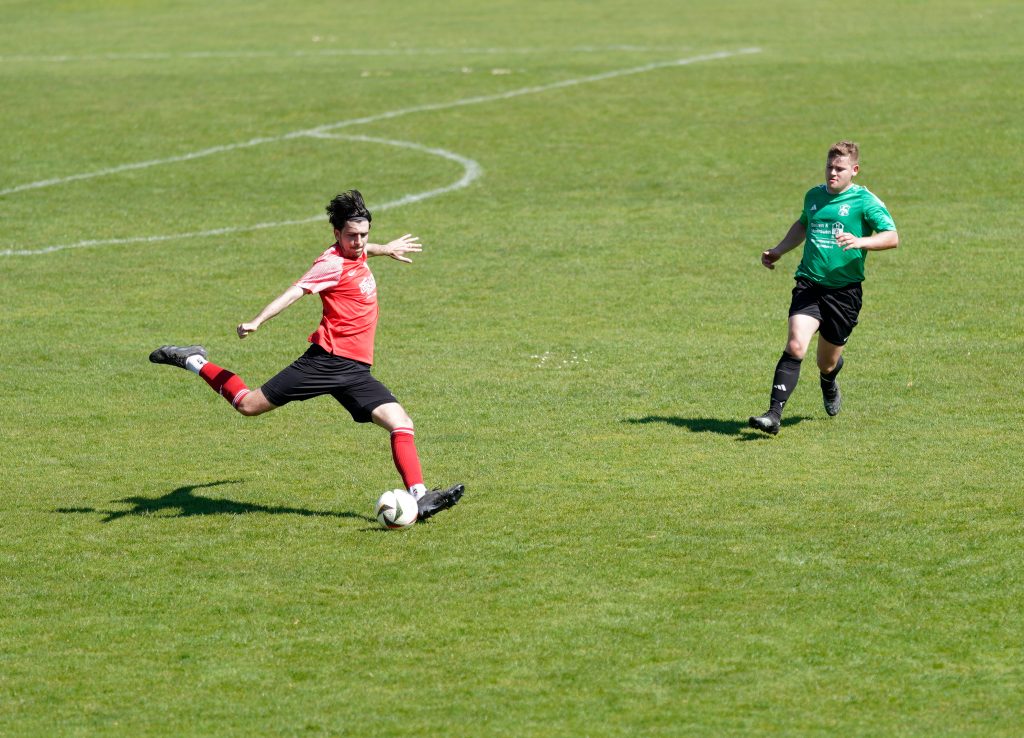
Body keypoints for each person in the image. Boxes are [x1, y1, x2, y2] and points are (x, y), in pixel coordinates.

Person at [150, 190, 464, 520]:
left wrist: (384, 249)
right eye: (352, 236)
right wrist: (257, 320)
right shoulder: (330, 264)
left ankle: (421, 496)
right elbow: (294, 292)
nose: (359, 243)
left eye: (364, 235)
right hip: (324, 362)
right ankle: (193, 360)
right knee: (247, 405)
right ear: (336, 235)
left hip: (355, 370)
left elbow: (364, 251)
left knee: (401, 423)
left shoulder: (356, 252)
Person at [749, 141, 898, 435]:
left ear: (853, 170)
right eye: (829, 166)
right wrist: (779, 250)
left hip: (844, 294)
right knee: (795, 345)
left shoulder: (865, 201)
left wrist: (861, 241)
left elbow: (892, 236)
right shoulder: (814, 196)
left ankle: (829, 381)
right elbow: (804, 224)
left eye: (839, 168)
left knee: (826, 362)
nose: (832, 172)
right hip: (810, 283)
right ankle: (773, 415)